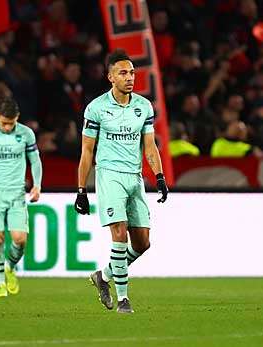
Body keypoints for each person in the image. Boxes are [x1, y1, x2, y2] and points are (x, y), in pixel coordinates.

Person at [74, 49, 169, 314]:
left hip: (135, 178)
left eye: (132, 73)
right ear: (110, 77)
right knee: (118, 234)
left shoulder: (143, 107)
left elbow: (150, 147)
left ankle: (103, 276)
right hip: (109, 176)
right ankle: (124, 299)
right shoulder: (96, 109)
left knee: (142, 243)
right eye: (123, 73)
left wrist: (159, 177)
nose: (129, 78)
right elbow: (87, 152)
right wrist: (82, 189)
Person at [0, 97, 43, 298]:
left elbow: (35, 161)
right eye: (3, 123)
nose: (6, 127)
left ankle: (9, 267)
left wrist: (37, 185)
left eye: (10, 123)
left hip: (16, 193)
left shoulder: (26, 134)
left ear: (17, 118)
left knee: (20, 240)